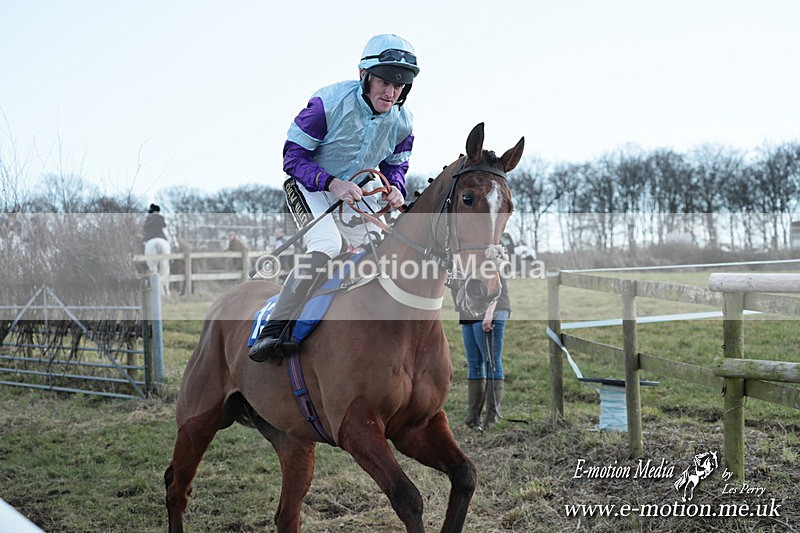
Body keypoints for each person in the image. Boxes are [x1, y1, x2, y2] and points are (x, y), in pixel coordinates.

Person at [249, 33, 419, 362]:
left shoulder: (404, 121)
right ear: (363, 76)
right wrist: (333, 183)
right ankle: (275, 327)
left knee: (388, 245)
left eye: (399, 86)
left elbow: (396, 165)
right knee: (328, 244)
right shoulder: (327, 104)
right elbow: (292, 159)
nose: (391, 92)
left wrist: (396, 187)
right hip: (311, 186)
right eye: (384, 82)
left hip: (359, 190)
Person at [460, 277, 511, 430]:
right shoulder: (461, 255)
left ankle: (492, 417)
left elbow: (496, 282)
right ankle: (473, 417)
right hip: (470, 310)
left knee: (492, 361)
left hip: (491, 310)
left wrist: (489, 312)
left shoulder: (490, 254)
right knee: (473, 363)